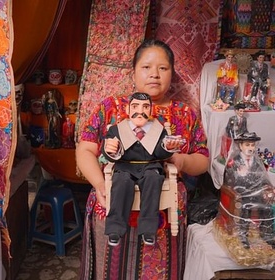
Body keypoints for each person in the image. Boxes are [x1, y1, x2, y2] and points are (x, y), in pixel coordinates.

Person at [76, 39, 209, 280]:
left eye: (163, 68)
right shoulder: (110, 107)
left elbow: (202, 159)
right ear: (134, 72)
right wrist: (99, 184)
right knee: (110, 270)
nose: (155, 75)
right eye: (146, 67)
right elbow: (85, 149)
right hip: (111, 197)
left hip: (164, 209)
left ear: (172, 73)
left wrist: (180, 161)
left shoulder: (185, 114)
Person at [102, 92, 184, 246]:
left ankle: (148, 230)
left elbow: (160, 154)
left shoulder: (158, 130)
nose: (140, 111)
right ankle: (115, 229)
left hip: (150, 166)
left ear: (150, 110)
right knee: (121, 181)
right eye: (135, 106)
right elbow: (108, 152)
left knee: (154, 179)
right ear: (127, 109)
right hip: (125, 167)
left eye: (145, 106)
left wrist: (168, 147)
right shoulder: (116, 130)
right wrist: (111, 149)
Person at [223, 132, 275, 249]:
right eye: (247, 145)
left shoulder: (257, 162)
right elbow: (230, 181)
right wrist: (241, 180)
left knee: (267, 207)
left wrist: (268, 188)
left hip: (257, 194)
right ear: (241, 146)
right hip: (242, 195)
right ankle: (243, 236)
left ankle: (266, 235)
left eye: (252, 145)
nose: (250, 148)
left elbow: (263, 178)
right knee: (245, 208)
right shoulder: (234, 162)